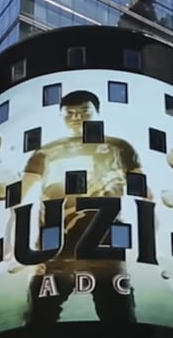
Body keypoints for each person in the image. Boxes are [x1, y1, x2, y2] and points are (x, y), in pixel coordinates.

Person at [19, 90, 146, 325]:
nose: (76, 117)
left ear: (97, 112)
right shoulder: (46, 152)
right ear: (61, 116)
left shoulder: (119, 147)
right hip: (55, 248)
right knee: (37, 322)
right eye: (69, 113)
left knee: (120, 321)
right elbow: (21, 196)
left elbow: (144, 194)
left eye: (84, 111)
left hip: (106, 245)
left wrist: (148, 236)